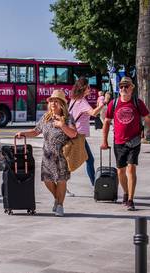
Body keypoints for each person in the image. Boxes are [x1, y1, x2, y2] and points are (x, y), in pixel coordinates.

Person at [100, 77, 150, 211]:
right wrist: (104, 140)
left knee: (131, 168)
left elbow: (148, 119)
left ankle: (131, 199)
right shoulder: (113, 104)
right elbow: (106, 122)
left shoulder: (137, 102)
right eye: (121, 86)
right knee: (121, 171)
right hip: (118, 142)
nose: (123, 89)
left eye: (126, 86)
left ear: (132, 88)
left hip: (134, 141)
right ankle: (125, 193)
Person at [16, 89, 77, 217]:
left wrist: (62, 125)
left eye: (56, 101)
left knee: (61, 180)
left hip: (62, 156)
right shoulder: (46, 117)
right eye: (51, 101)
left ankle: (60, 205)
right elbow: (36, 131)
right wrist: (23, 133)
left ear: (62, 104)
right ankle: (57, 198)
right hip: (48, 155)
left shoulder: (67, 118)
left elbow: (73, 133)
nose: (53, 104)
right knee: (47, 181)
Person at [69, 78, 105, 187]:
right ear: (83, 88)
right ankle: (95, 186)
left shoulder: (74, 100)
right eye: (88, 87)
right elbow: (94, 113)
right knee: (88, 160)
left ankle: (62, 184)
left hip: (74, 133)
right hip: (78, 135)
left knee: (72, 160)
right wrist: (102, 103)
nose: (90, 89)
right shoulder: (82, 102)